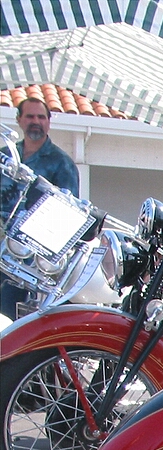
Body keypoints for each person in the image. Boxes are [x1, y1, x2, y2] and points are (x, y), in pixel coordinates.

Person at [3, 97, 81, 320]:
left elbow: (68, 216)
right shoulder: (6, 157)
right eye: (30, 116)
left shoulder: (62, 163)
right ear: (19, 120)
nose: (35, 121)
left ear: (49, 122)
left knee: (12, 323)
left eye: (41, 117)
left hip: (28, 265)